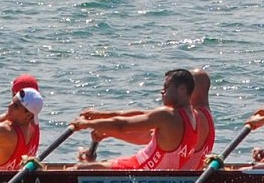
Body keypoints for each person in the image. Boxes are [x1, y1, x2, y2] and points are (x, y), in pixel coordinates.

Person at [71, 67, 214, 172]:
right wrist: (101, 116)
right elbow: (144, 116)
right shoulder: (193, 115)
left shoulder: (173, 115)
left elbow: (125, 126)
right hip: (154, 170)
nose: (162, 91)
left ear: (185, 89)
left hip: (145, 170)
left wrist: (86, 124)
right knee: (98, 164)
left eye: (166, 87)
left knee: (77, 169)